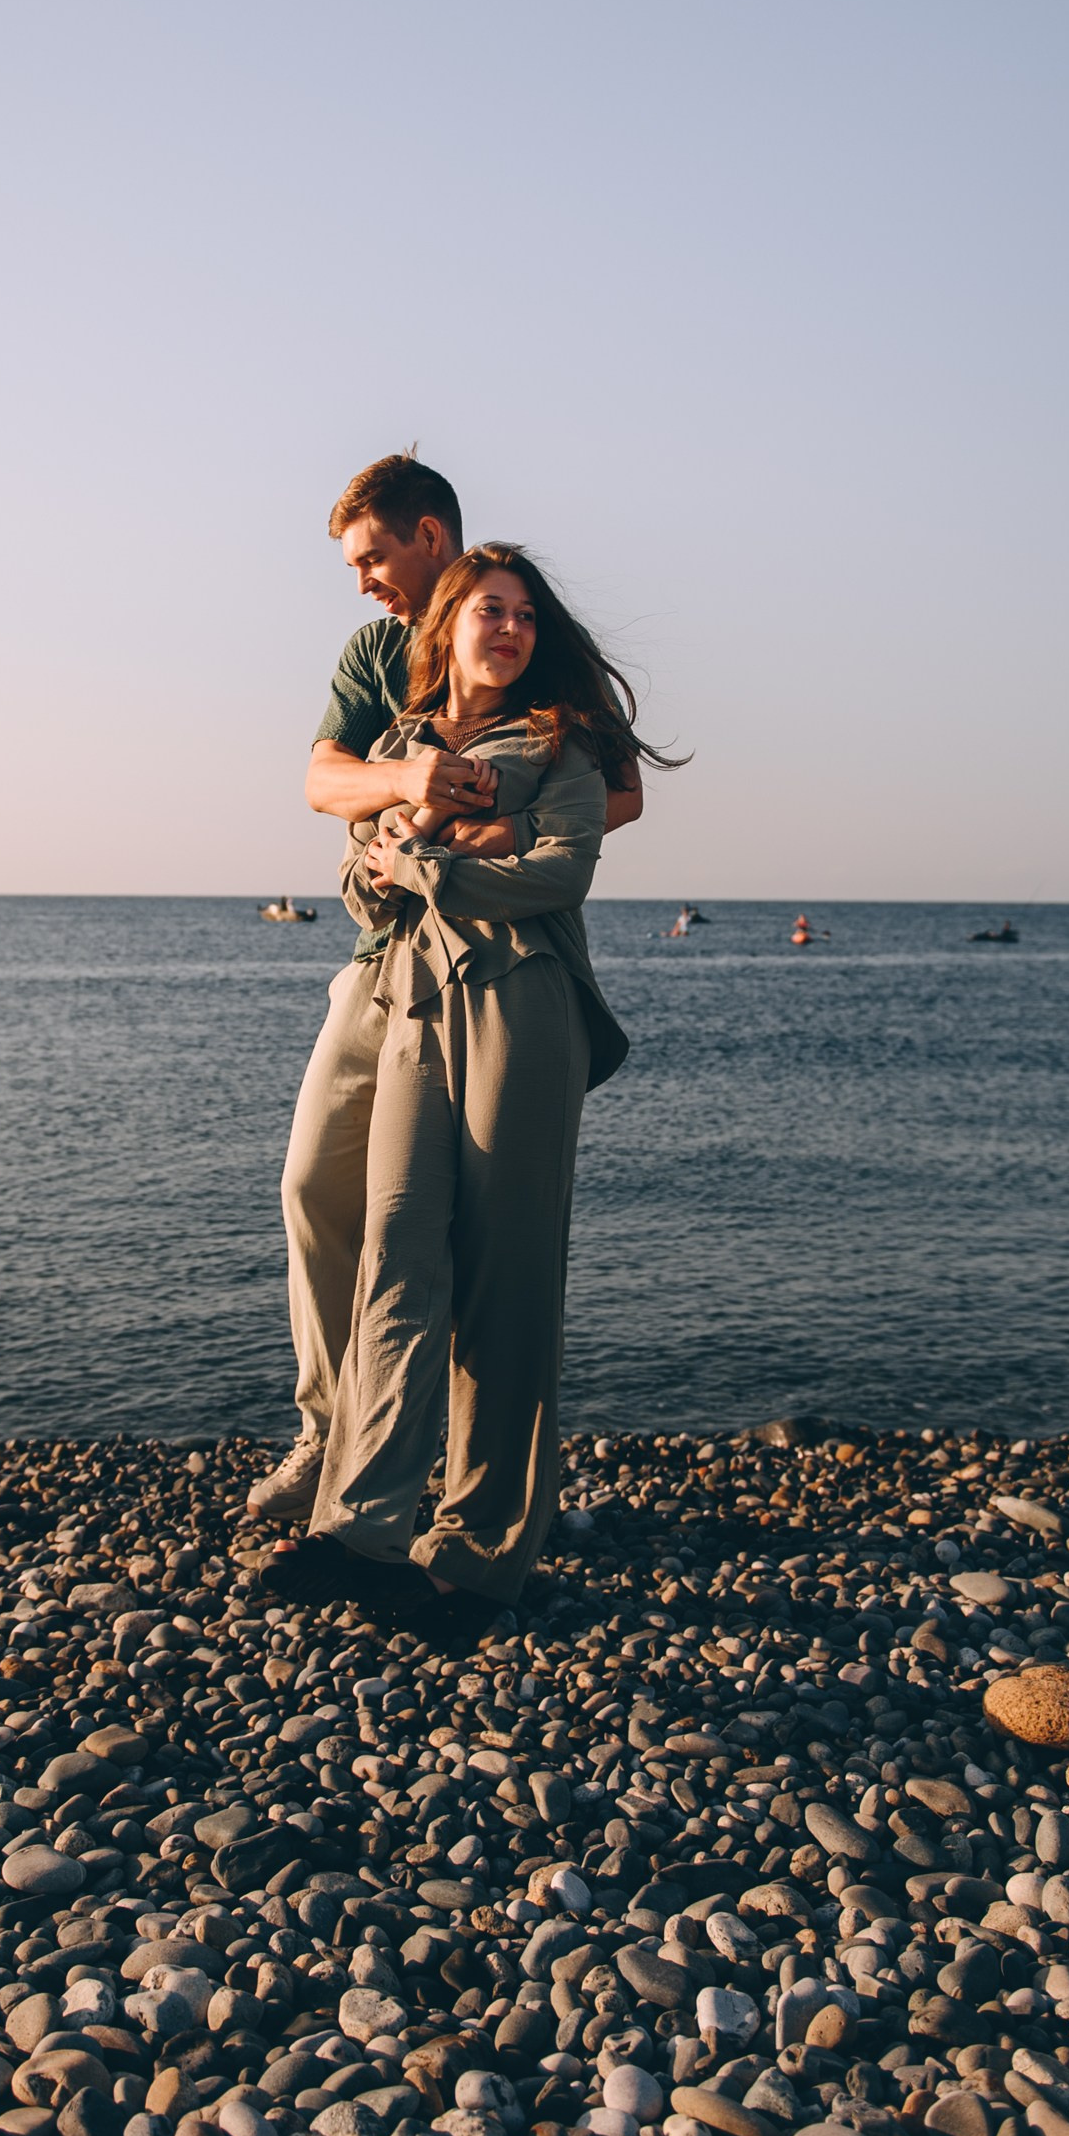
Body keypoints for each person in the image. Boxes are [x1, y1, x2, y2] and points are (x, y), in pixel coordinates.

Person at [258, 543, 675, 1625]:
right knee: (393, 1250)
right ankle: (359, 1528)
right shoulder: (396, 746)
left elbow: (556, 872)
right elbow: (360, 885)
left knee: (505, 1277)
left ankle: (481, 1554)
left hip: (520, 1005)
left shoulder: (557, 742)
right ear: (445, 627)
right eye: (489, 609)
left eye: (526, 615)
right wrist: (417, 834)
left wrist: (430, 860)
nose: (509, 627)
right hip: (408, 998)